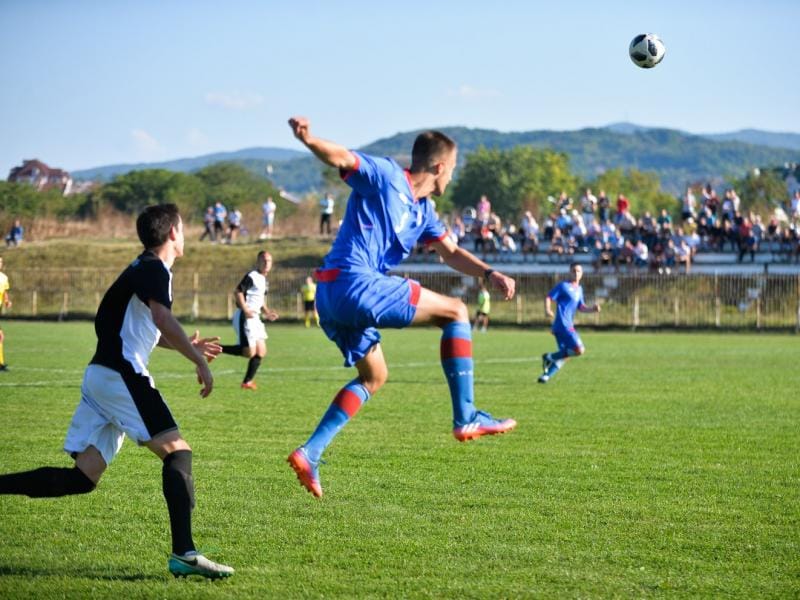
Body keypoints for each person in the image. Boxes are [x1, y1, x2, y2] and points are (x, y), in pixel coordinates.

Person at [286, 116, 517, 498]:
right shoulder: (387, 175)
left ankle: (310, 452)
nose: (452, 179)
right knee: (457, 312)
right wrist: (309, 140)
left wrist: (488, 273)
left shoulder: (423, 212)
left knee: (374, 376)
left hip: (331, 296)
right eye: (453, 170)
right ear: (440, 167)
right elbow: (343, 157)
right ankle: (467, 416)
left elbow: (452, 252)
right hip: (354, 282)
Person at [0, 204, 233, 579]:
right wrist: (197, 360)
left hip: (104, 375)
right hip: (119, 375)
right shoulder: (154, 268)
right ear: (173, 231)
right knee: (178, 452)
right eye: (184, 228)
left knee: (82, 478)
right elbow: (161, 319)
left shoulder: (140, 268)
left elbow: (136, 329)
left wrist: (187, 346)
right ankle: (184, 554)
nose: (186, 235)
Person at [220, 251, 279, 390]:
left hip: (256, 318)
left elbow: (260, 299)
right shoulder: (252, 276)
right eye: (263, 260)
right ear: (258, 262)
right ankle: (217, 349)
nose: (266, 263)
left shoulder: (264, 280)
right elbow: (238, 291)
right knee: (249, 352)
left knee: (261, 351)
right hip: (245, 316)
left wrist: (267, 312)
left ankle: (247, 382)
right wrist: (245, 308)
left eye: (269, 261)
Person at [538, 262, 600, 384]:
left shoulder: (579, 289)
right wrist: (547, 309)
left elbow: (581, 307)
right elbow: (549, 297)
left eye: (579, 271)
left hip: (564, 326)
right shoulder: (563, 286)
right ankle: (549, 357)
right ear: (570, 272)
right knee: (579, 349)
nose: (576, 273)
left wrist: (592, 309)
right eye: (574, 271)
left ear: (582, 274)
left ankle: (545, 376)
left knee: (565, 355)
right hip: (563, 324)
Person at [0, 256, 11, 371]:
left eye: (1, 262)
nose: (0, 264)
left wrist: (7, 301)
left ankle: (1, 363)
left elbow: (4, 292)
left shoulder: (3, 278)